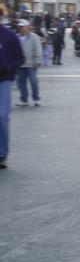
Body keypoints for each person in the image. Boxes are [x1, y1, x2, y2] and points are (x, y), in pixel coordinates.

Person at [0, 14, 26, 168]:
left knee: (2, 115)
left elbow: (20, 58)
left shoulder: (9, 37)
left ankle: (2, 153)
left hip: (4, 80)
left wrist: (8, 68)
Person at [15, 19, 43, 107]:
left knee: (33, 82)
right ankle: (24, 100)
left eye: (22, 26)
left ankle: (36, 99)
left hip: (31, 64)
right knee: (21, 83)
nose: (21, 28)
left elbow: (38, 49)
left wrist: (38, 60)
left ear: (27, 27)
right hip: (20, 64)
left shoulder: (34, 37)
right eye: (19, 26)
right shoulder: (16, 37)